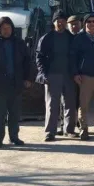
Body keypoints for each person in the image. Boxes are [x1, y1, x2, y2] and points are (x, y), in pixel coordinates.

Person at [0, 17, 32, 148]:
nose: (6, 30)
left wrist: (27, 78)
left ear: (12, 29)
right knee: (0, 113)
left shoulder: (20, 43)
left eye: (8, 28)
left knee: (15, 113)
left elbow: (27, 62)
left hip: (16, 83)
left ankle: (14, 137)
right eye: (3, 28)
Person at [36, 10, 77, 141]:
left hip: (68, 75)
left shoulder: (71, 38)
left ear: (66, 23)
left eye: (63, 21)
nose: (60, 23)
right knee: (52, 105)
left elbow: (76, 57)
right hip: (52, 75)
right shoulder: (46, 38)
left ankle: (69, 130)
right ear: (53, 22)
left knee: (70, 103)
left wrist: (75, 73)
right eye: (58, 21)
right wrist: (43, 74)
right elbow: (39, 57)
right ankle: (50, 132)